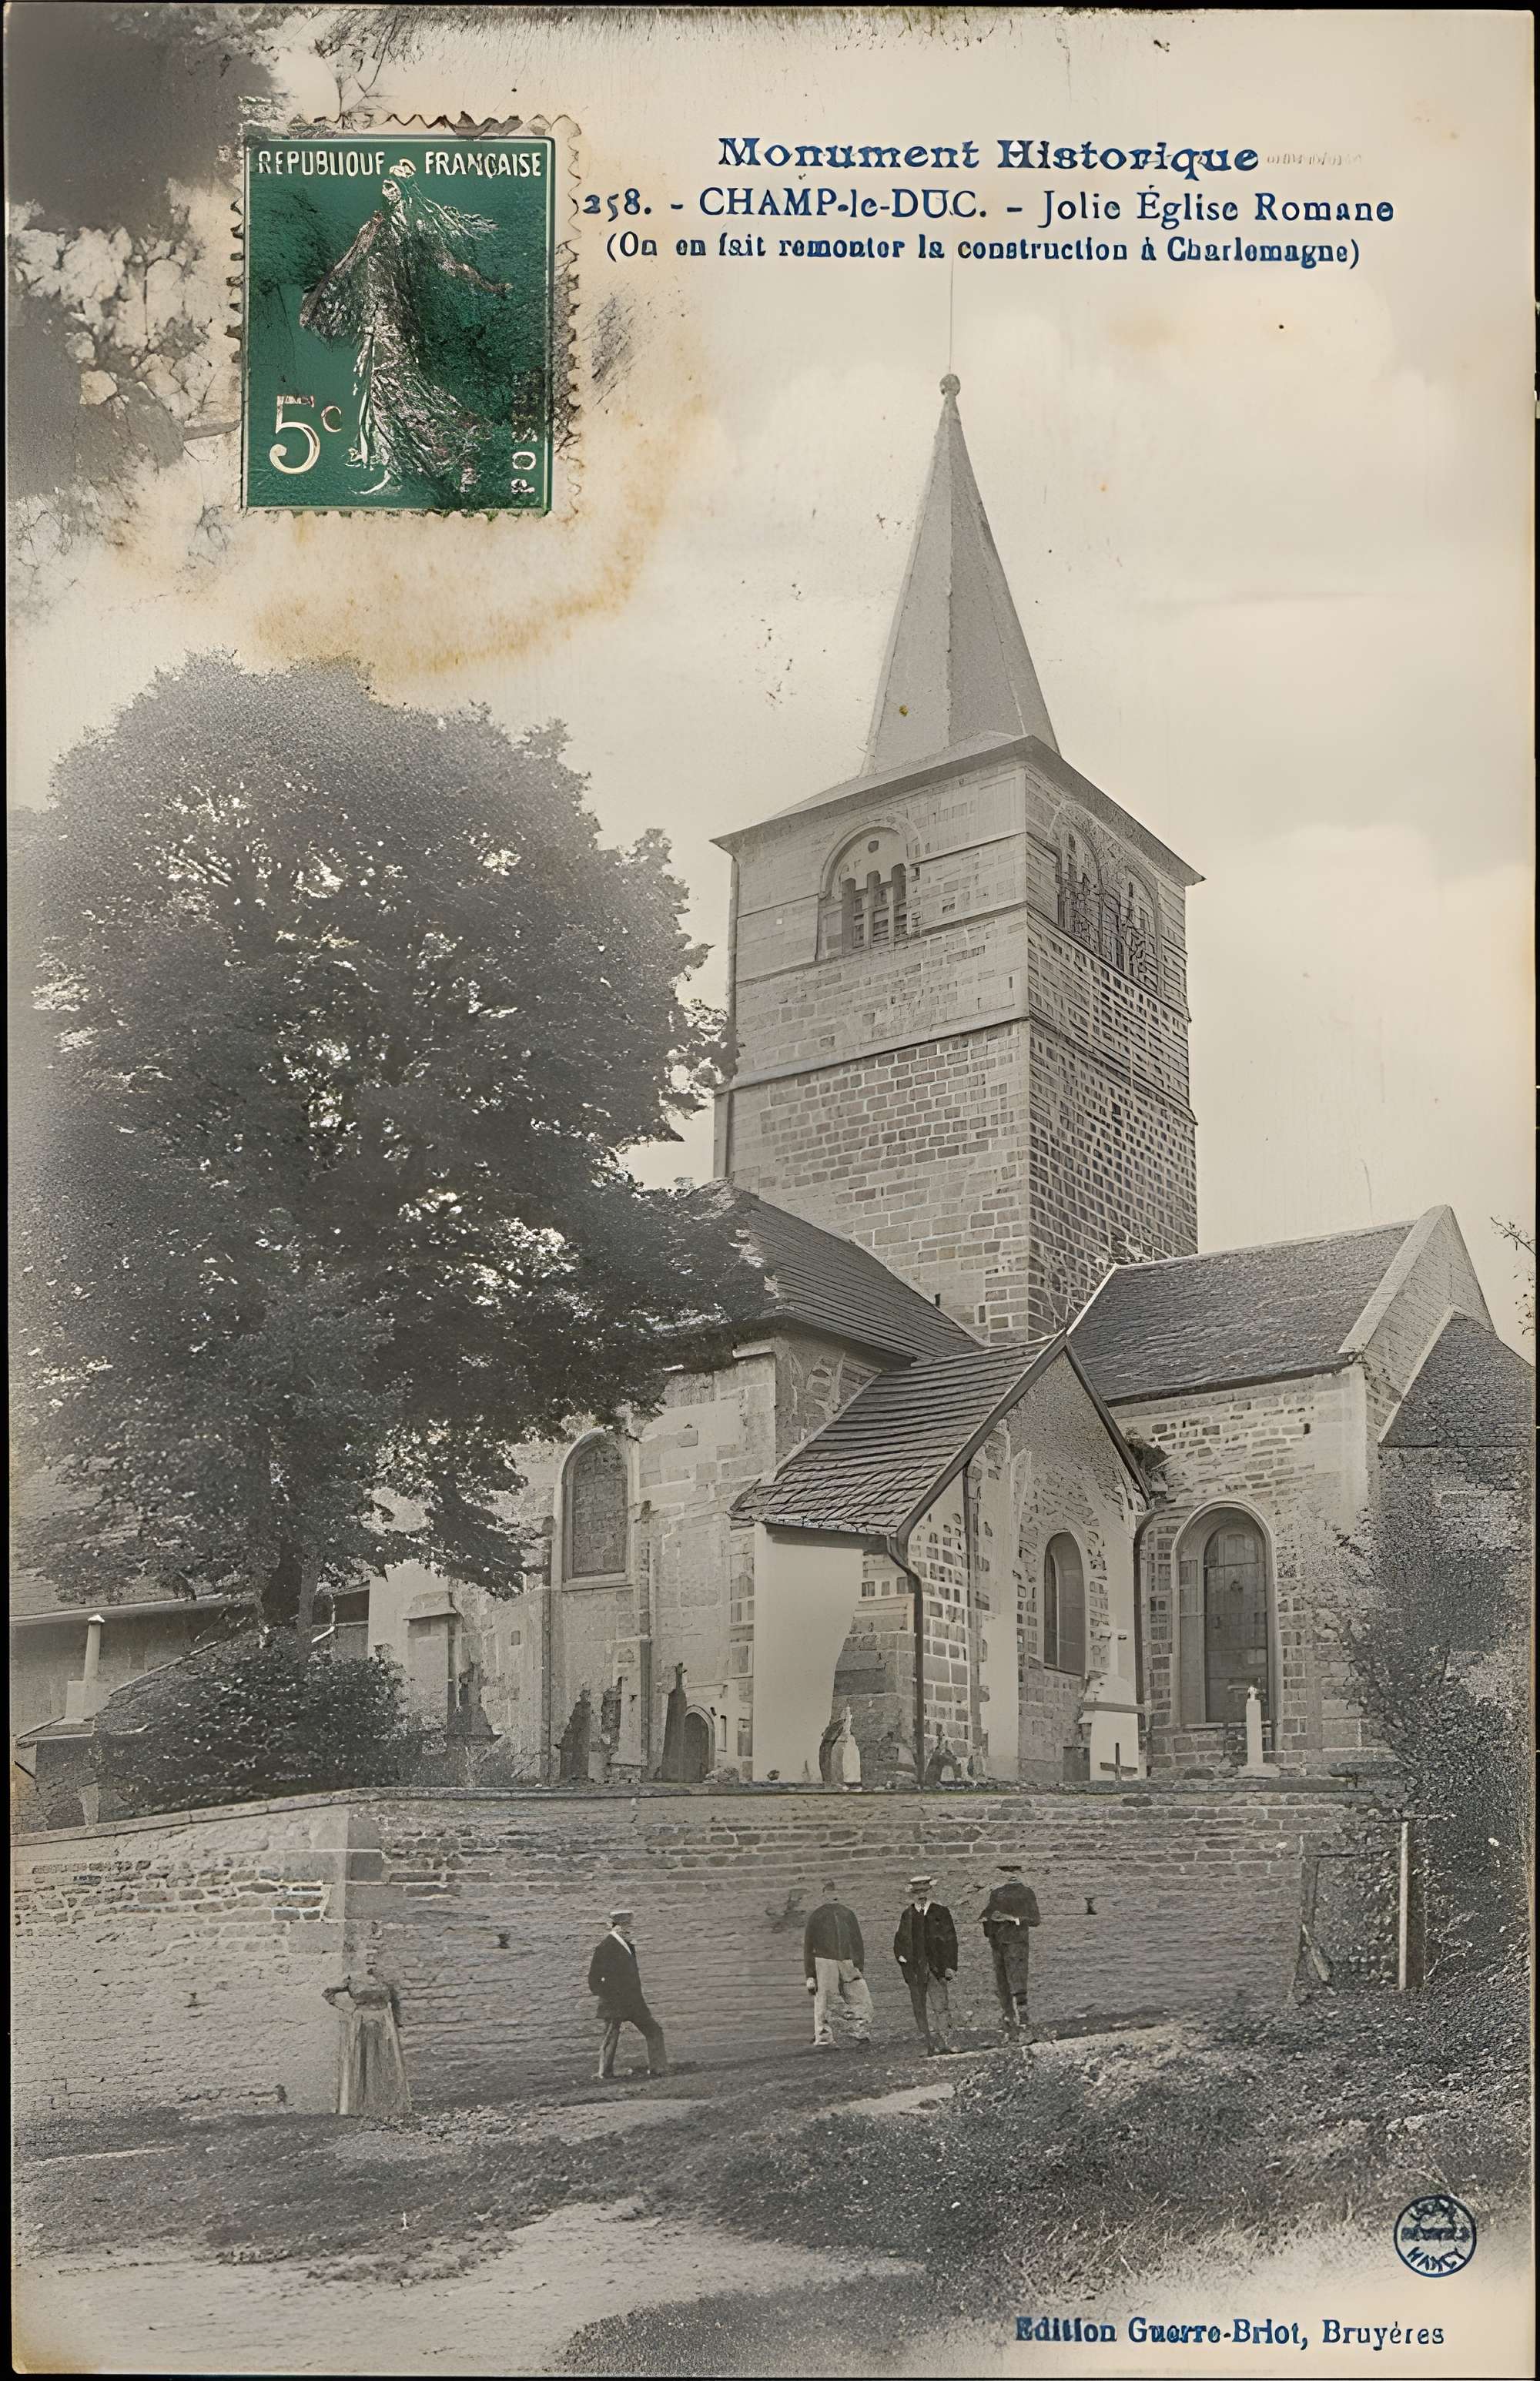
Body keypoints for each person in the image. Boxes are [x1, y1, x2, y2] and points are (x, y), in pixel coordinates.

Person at [588, 1906, 668, 2081]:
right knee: (611, 2036)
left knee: (654, 2030)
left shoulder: (629, 1946)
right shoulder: (605, 1947)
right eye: (624, 1926)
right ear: (615, 1927)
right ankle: (604, 2073)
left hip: (634, 2002)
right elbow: (594, 1980)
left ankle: (658, 2068)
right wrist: (610, 1996)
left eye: (629, 1926)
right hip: (614, 2002)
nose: (628, 1929)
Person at [323, 1962, 411, 2118]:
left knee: (384, 2059)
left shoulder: (385, 1981)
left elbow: (395, 2000)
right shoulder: (351, 1981)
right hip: (362, 2021)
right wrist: (348, 2008)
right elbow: (328, 1993)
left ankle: (387, 2105)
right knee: (362, 2059)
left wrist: (397, 2022)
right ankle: (360, 2104)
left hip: (384, 2020)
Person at [802, 1880, 874, 2049]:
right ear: (822, 1895)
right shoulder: (816, 1916)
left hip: (848, 1959)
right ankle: (824, 2037)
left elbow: (857, 1941)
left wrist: (859, 1965)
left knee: (859, 1997)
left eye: (834, 1892)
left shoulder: (848, 1914)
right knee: (824, 1999)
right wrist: (810, 1975)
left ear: (838, 1894)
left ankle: (861, 2033)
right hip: (824, 1960)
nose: (831, 1896)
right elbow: (808, 1946)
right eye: (827, 1892)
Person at [893, 1874, 959, 2054]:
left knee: (941, 2006)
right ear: (912, 1894)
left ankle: (946, 2042)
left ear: (930, 1891)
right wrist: (902, 1957)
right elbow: (899, 1940)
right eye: (917, 1892)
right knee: (919, 2007)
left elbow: (951, 1940)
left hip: (936, 1968)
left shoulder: (941, 1912)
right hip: (916, 1970)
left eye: (925, 1891)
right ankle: (926, 2045)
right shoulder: (907, 1914)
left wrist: (950, 1966)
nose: (921, 1895)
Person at [980, 1860, 1041, 2038]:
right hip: (998, 1944)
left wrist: (1012, 1918)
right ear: (1001, 1874)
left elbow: (1035, 1919)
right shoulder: (997, 1893)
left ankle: (1024, 2023)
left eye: (1016, 1870)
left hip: (1017, 1944)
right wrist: (987, 1918)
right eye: (1006, 1871)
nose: (1012, 1874)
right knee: (1003, 1984)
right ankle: (1009, 2021)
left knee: (1018, 1983)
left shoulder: (1027, 1893)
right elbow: (988, 1913)